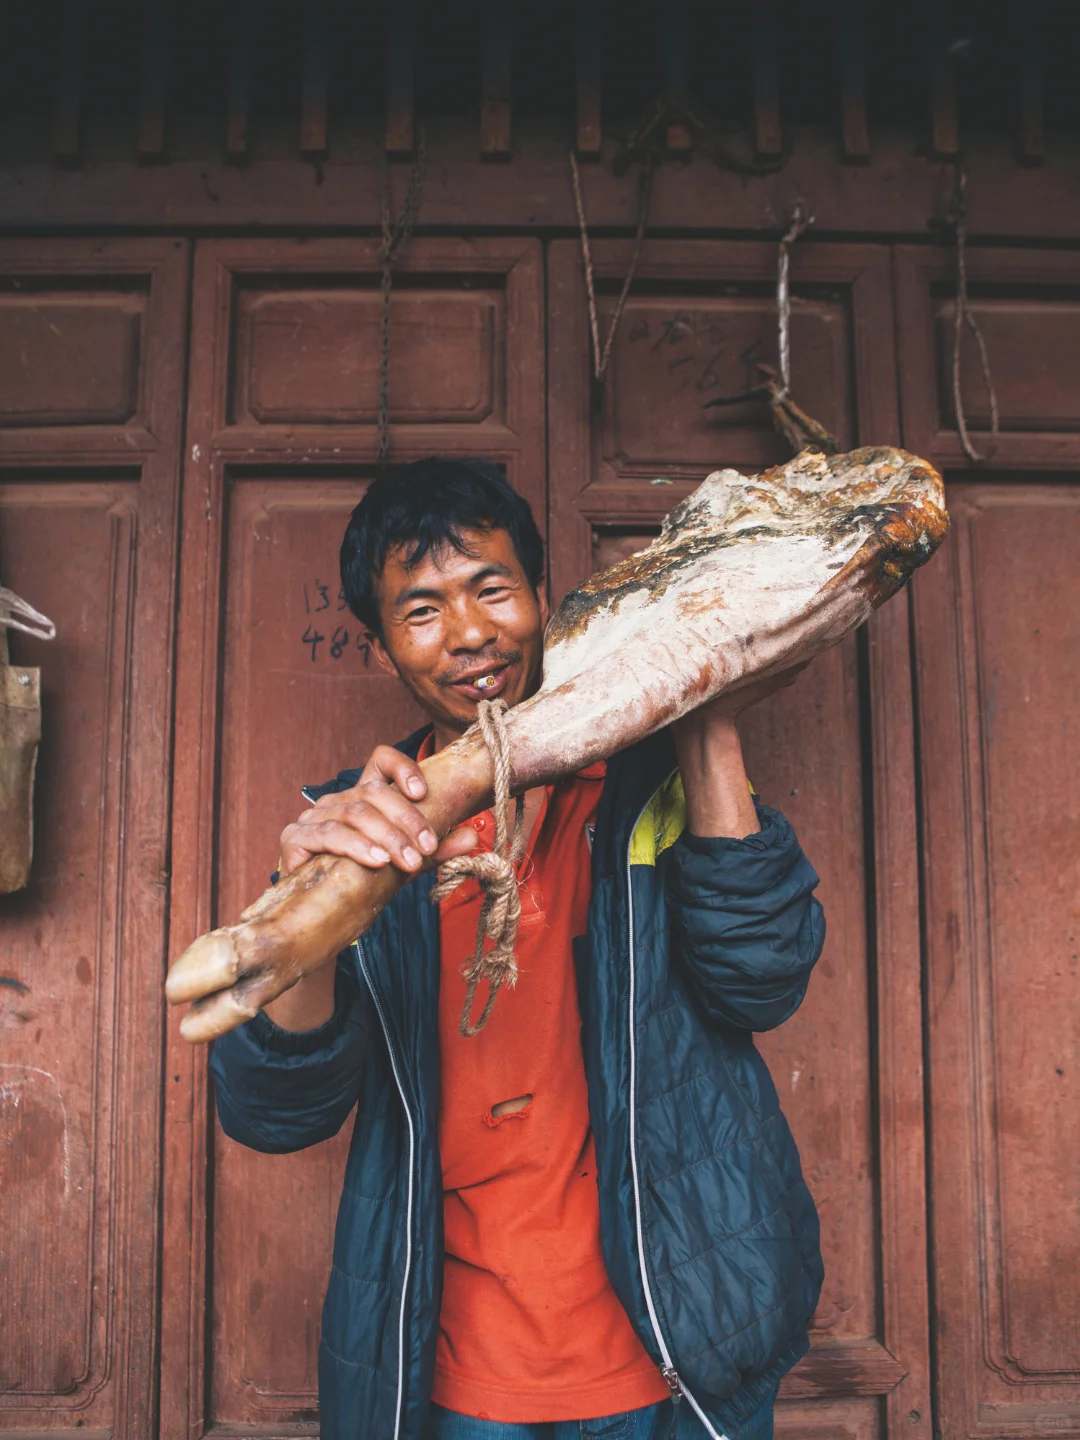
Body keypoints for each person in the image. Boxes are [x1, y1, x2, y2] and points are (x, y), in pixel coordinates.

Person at [210, 458, 825, 1440]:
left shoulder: (649, 793)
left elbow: (762, 978)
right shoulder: (363, 834)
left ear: (544, 599)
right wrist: (311, 906)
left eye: (492, 589)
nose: (468, 634)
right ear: (382, 654)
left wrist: (701, 705)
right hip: (453, 1382)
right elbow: (271, 1113)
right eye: (420, 611)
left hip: (675, 1357)